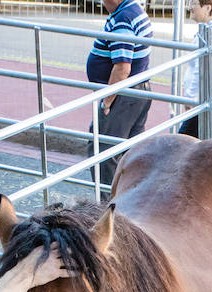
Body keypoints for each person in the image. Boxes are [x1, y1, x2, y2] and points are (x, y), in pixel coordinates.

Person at [86, 0, 153, 189]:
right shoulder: (131, 9)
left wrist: (107, 102)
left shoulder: (123, 18)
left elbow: (122, 67)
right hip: (137, 90)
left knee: (103, 152)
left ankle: (108, 208)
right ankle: (127, 203)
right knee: (129, 154)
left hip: (123, 95)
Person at [178, 0, 212, 139]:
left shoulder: (211, 33)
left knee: (182, 145)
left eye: (194, 4)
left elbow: (200, 69)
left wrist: (191, 97)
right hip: (207, 99)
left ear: (207, 8)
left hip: (203, 101)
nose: (190, 7)